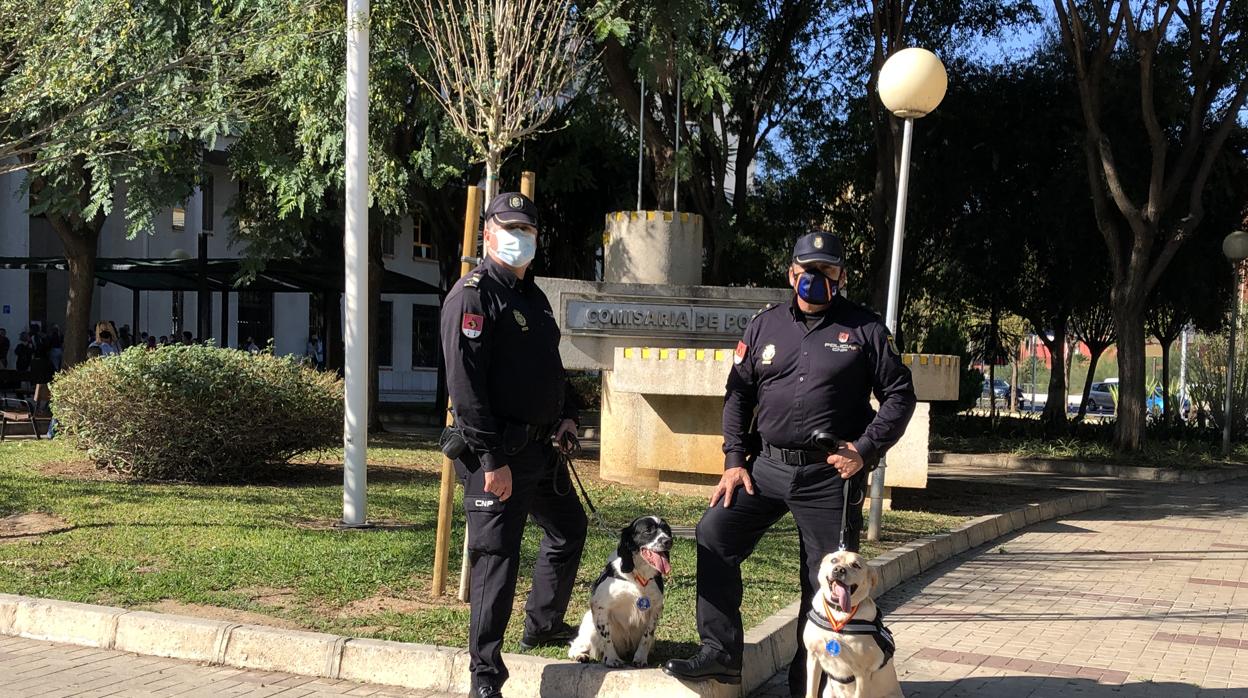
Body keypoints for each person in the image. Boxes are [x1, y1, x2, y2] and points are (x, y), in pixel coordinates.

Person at [663, 231, 917, 696]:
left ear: (840, 276)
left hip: (829, 476)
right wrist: (734, 459)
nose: (816, 279)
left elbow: (901, 396)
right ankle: (720, 654)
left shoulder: (865, 329)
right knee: (714, 532)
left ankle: (807, 685)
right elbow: (738, 394)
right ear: (791, 273)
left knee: (825, 575)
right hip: (765, 467)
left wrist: (864, 449)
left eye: (827, 271)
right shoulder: (764, 326)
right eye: (807, 270)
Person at [440, 192, 586, 698]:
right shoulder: (472, 295)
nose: (519, 237)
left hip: (541, 451)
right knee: (495, 563)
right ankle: (485, 680)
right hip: (497, 455)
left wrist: (567, 415)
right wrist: (489, 461)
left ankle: (542, 623)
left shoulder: (534, 297)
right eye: (509, 228)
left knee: (569, 529)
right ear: (487, 233)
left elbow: (551, 369)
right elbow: (466, 388)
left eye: (527, 230)